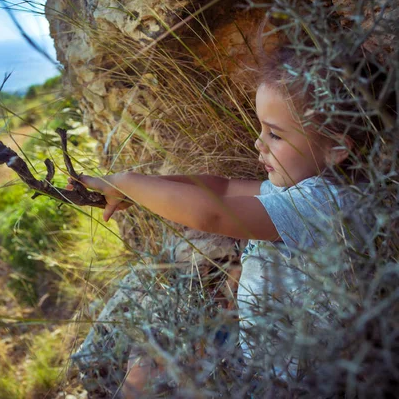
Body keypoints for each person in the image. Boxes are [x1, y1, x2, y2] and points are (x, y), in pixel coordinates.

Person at [65, 39, 388, 396]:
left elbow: (212, 214)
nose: (258, 144)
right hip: (255, 349)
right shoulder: (299, 192)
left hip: (283, 380)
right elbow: (220, 189)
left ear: (337, 148)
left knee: (145, 371)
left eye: (275, 134)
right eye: (261, 129)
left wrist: (127, 182)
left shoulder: (322, 206)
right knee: (152, 352)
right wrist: (135, 191)